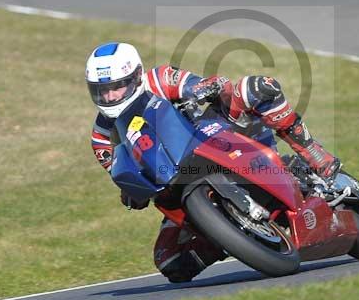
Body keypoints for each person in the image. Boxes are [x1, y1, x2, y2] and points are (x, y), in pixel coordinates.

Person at [86, 41, 340, 283]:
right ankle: (229, 235)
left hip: (210, 134)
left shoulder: (159, 79)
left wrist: (206, 87)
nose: (109, 96)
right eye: (101, 91)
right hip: (171, 180)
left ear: (137, 76)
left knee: (255, 88)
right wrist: (132, 192)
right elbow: (120, 172)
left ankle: (312, 152)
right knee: (171, 262)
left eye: (116, 87)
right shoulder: (101, 137)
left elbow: (201, 85)